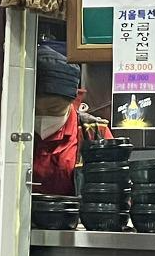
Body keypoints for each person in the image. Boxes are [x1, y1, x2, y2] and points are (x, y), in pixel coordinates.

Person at [33, 45, 112, 195]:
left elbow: (113, 188)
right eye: (35, 110)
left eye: (54, 109)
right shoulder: (9, 131)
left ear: (73, 101)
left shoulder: (94, 132)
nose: (43, 116)